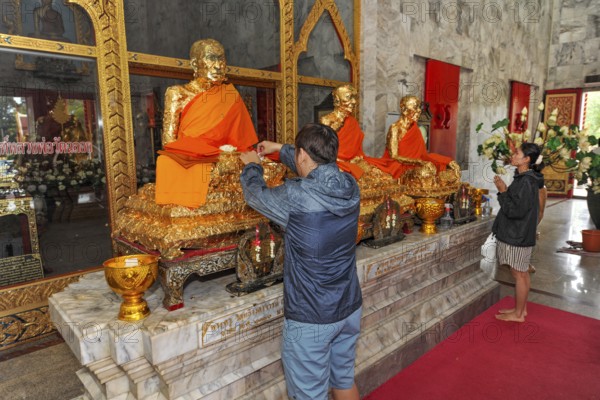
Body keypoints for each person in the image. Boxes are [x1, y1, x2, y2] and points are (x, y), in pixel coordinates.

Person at [239, 123, 362, 400]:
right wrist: (280, 150)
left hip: (311, 316)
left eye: (297, 155)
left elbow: (255, 195)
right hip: (349, 306)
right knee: (343, 380)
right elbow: (317, 170)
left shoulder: (296, 197)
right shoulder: (350, 185)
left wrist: (252, 166)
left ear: (303, 155)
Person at [155, 39, 257, 208]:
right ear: (195, 64)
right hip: (192, 157)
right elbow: (169, 143)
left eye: (221, 59)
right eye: (211, 58)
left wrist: (228, 155)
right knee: (167, 162)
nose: (218, 65)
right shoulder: (178, 93)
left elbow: (241, 141)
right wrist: (205, 153)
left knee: (266, 167)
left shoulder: (230, 95)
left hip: (225, 158)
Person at [492, 142, 544, 322]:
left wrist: (502, 192)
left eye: (517, 153)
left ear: (527, 159)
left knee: (519, 275)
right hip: (519, 234)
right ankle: (521, 310)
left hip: (517, 235)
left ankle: (519, 314)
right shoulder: (525, 178)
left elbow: (515, 211)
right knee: (521, 273)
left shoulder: (526, 182)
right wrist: (506, 191)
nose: (512, 155)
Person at [320, 84, 406, 180]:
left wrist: (357, 160)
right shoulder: (327, 121)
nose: (354, 102)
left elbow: (356, 151)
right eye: (349, 98)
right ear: (337, 100)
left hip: (356, 160)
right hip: (337, 163)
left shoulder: (352, 121)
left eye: (354, 98)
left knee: (382, 176)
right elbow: (324, 151)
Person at [383, 95, 453, 178]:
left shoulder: (415, 128)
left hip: (416, 163)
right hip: (399, 165)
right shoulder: (395, 128)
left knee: (447, 168)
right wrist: (418, 162)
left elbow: (423, 154)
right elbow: (394, 156)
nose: (419, 111)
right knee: (425, 173)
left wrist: (446, 161)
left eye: (419, 107)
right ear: (404, 110)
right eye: (415, 107)